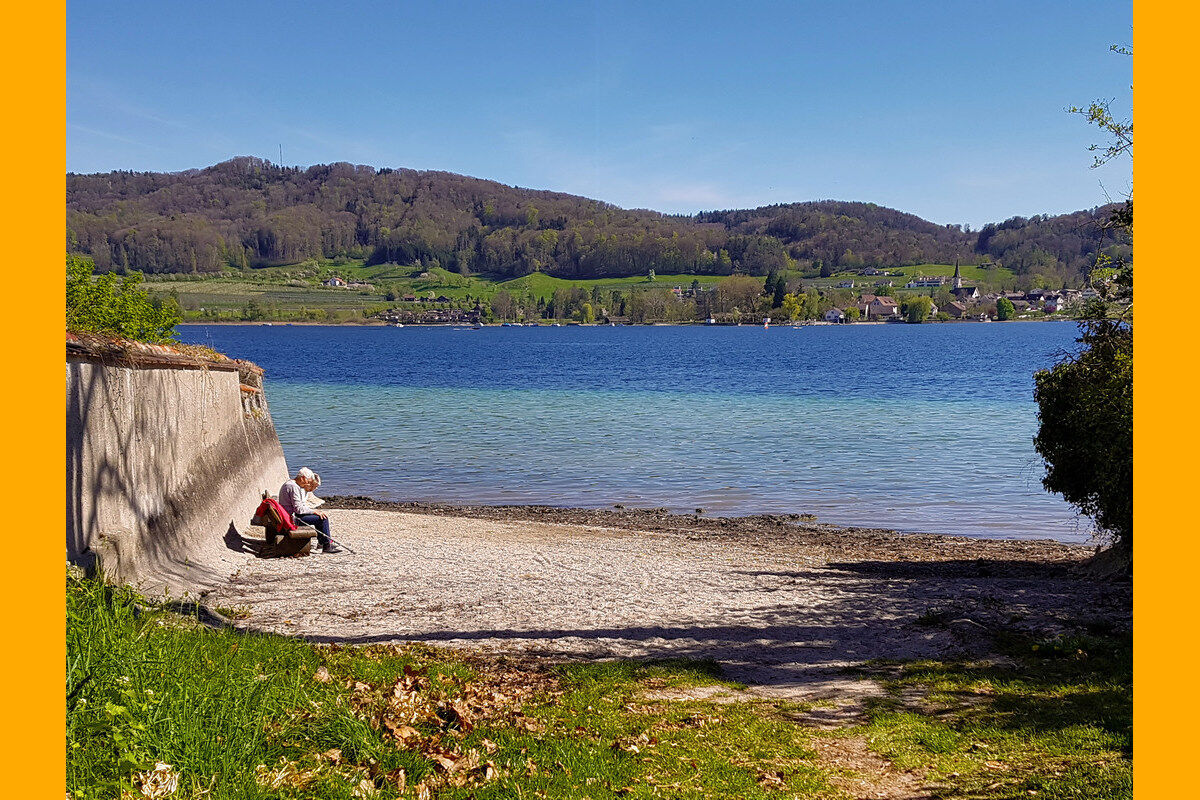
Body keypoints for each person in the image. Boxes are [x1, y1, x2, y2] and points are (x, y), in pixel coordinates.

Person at [279, 467, 342, 553]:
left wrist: (313, 511)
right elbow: (299, 509)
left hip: (290, 516)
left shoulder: (291, 484)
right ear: (303, 478)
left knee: (318, 516)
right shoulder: (293, 487)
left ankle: (323, 542)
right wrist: (314, 511)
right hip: (291, 519)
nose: (307, 484)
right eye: (308, 482)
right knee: (322, 519)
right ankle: (326, 546)